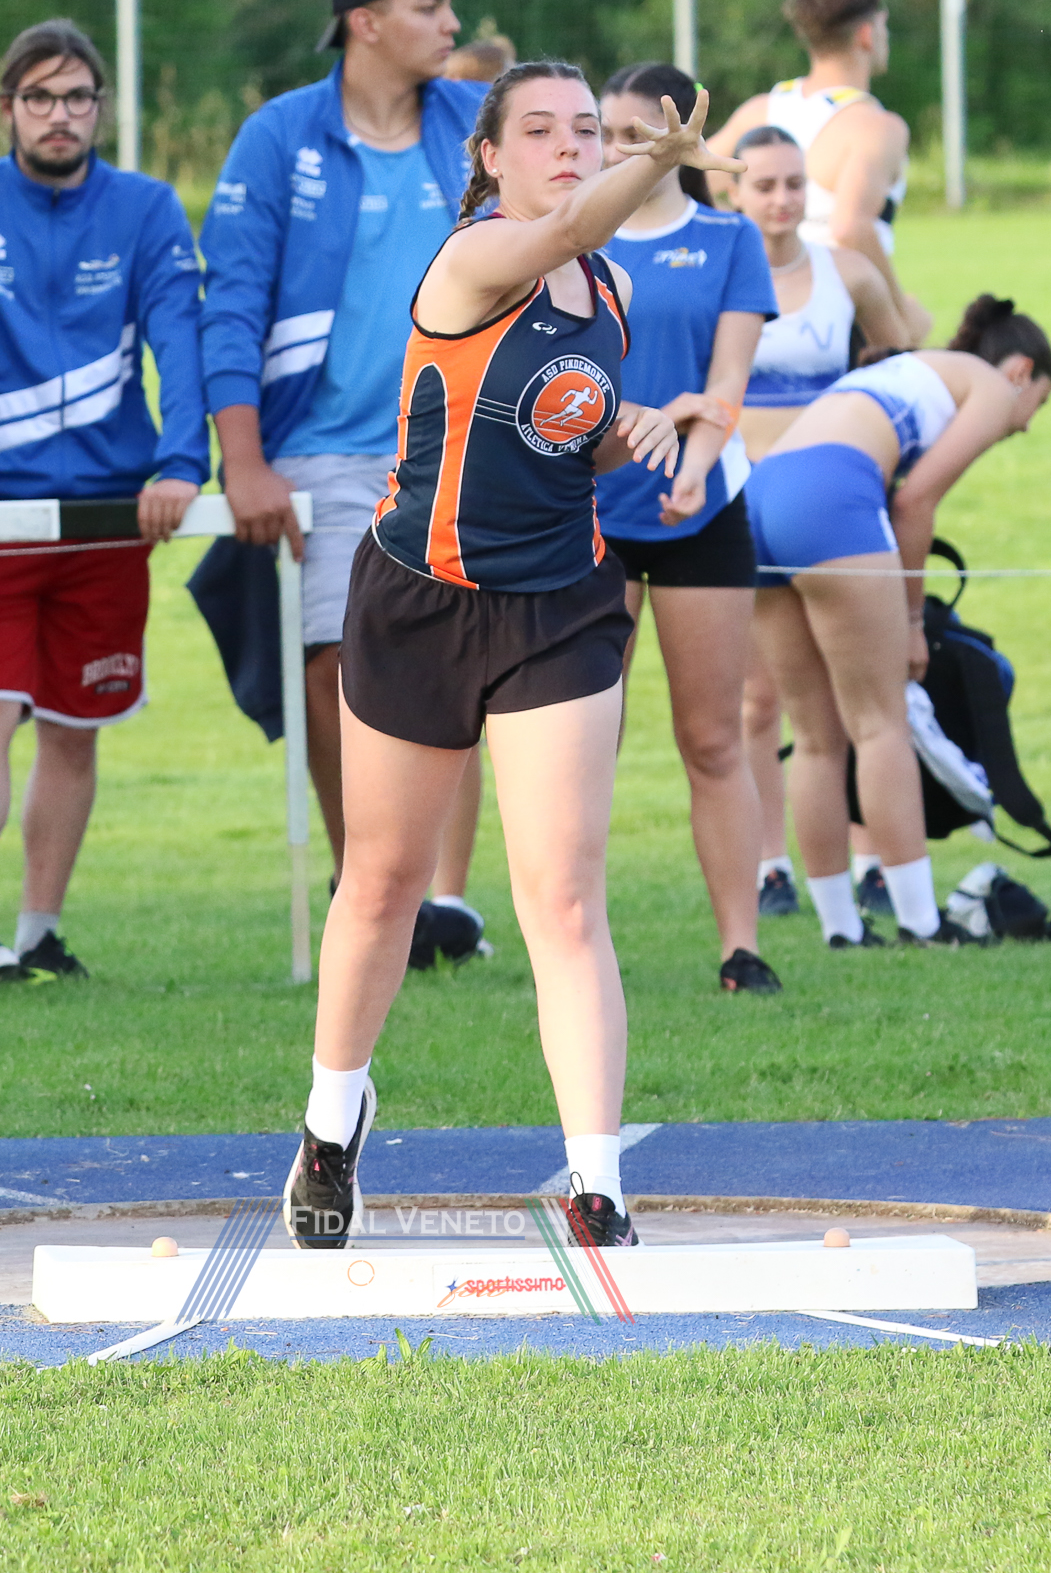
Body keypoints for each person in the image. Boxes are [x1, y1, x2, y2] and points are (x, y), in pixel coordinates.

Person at [286, 62, 723, 1253]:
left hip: (559, 606)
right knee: (384, 881)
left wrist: (633, 426)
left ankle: (597, 1182)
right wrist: (658, 157)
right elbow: (568, 229)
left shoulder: (609, 285)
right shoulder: (476, 258)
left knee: (564, 893)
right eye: (540, 130)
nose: (569, 146)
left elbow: (560, 432)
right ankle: (331, 1121)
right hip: (421, 598)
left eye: (586, 128)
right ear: (489, 156)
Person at [0, 18, 208, 988]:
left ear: (100, 108)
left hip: (111, 516)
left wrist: (181, 462)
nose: (58, 115)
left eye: (75, 97)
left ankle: (38, 936)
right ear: (7, 109)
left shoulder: (148, 208)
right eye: (39, 98)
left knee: (74, 723)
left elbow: (180, 341)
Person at [198, 0, 485, 876]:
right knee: (335, 663)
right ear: (365, 23)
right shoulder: (278, 136)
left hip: (464, 451)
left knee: (454, 673)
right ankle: (366, 881)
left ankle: (443, 903)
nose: (452, 25)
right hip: (319, 450)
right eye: (430, 7)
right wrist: (244, 461)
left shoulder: (477, 122)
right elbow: (229, 307)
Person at [747, 301, 1051, 950]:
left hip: (760, 493)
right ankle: (921, 921)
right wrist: (913, 621)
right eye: (1039, 405)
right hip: (829, 494)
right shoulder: (992, 388)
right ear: (1022, 372)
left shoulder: (917, 370)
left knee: (815, 738)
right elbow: (915, 502)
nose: (1027, 424)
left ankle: (840, 927)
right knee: (880, 722)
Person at [595, 63, 782, 994]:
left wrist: (693, 470)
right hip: (587, 516)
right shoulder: (570, 241)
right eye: (603, 132)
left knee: (713, 739)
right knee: (585, 744)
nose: (614, 149)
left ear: (681, 138)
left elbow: (725, 386)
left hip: (699, 512)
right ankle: (573, 945)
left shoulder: (728, 238)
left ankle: (740, 949)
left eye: (635, 132)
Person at [726, 124, 918, 923]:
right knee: (758, 699)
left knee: (856, 696)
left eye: (795, 184)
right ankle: (769, 864)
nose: (782, 199)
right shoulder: (718, 272)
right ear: (734, 192)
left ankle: (870, 862)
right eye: (765, 185)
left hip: (835, 510)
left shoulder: (847, 272)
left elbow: (901, 359)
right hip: (742, 506)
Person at [710, 0, 911, 286]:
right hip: (838, 298)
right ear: (866, 34)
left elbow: (686, 185)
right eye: (883, 26)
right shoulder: (877, 127)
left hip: (763, 294)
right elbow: (850, 228)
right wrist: (899, 306)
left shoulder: (758, 111)